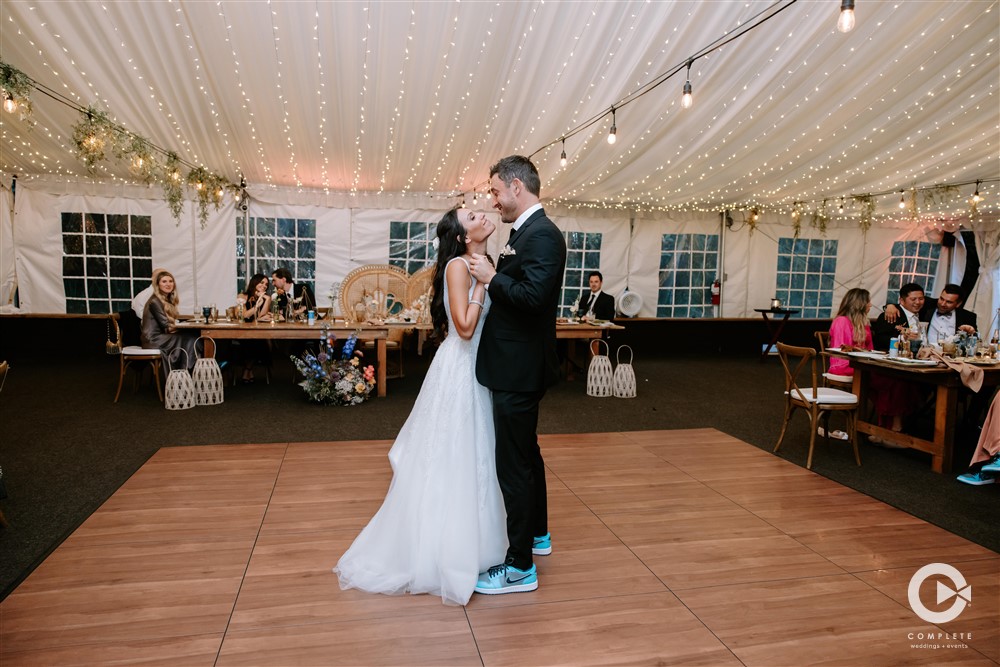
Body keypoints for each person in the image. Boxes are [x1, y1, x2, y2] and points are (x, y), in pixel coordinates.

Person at [333, 207, 507, 606]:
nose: (483, 212)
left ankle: (478, 543)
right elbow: (464, 328)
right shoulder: (460, 268)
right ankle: (446, 549)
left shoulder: (479, 262)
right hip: (460, 368)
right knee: (455, 454)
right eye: (473, 215)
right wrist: (484, 285)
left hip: (475, 368)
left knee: (473, 455)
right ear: (464, 236)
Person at [469, 155, 567, 595]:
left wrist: (491, 278)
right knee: (526, 455)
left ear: (514, 186)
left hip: (519, 368)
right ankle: (538, 535)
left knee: (514, 466)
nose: (493, 200)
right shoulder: (524, 232)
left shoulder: (543, 235)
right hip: (515, 363)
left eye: (495, 191)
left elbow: (531, 297)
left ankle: (519, 566)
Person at [883, 283, 978, 346]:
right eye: (941, 298)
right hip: (926, 353)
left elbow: (974, 342)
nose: (942, 304)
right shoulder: (928, 305)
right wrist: (889, 306)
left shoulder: (968, 317)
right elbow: (907, 303)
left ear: (958, 304)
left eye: (949, 302)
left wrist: (972, 333)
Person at [141, 269, 198, 369]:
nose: (168, 284)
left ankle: (187, 370)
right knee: (190, 339)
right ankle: (186, 370)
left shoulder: (165, 300)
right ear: (158, 285)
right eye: (164, 281)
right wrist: (186, 326)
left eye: (171, 281)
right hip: (153, 339)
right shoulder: (154, 301)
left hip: (161, 336)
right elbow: (167, 326)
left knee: (192, 338)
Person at [827, 287, 874, 381]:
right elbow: (843, 350)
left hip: (861, 364)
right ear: (860, 304)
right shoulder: (842, 321)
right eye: (868, 302)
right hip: (845, 365)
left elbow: (871, 350)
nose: (870, 305)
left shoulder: (864, 323)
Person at [237, 274, 272, 383]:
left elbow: (261, 318)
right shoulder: (242, 296)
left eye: (266, 284)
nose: (264, 286)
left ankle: (247, 370)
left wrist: (267, 300)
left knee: (258, 341)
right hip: (241, 333)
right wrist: (256, 306)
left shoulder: (266, 298)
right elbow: (243, 315)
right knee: (251, 342)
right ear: (254, 282)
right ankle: (248, 370)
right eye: (261, 283)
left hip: (258, 333)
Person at [871, 282, 925, 351]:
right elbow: (880, 340)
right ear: (902, 301)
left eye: (921, 299)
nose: (918, 302)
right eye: (913, 299)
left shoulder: (926, 311)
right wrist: (903, 338)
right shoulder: (891, 315)